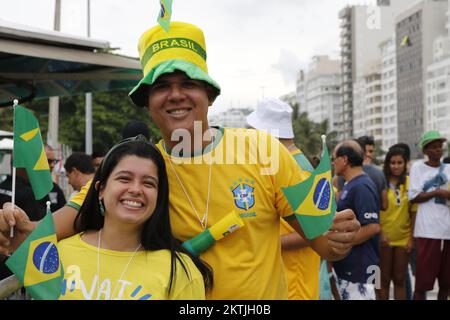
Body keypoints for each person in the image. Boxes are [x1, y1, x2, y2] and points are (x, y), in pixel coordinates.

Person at [0, 21, 360, 300]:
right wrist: (21, 227)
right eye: (161, 86)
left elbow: (323, 242)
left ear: (209, 94)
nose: (175, 96)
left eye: (187, 83)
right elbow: (69, 219)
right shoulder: (142, 169)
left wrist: (339, 234)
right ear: (147, 101)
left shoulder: (263, 151)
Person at [4, 136, 213, 300]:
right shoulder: (56, 254)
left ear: (159, 197)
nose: (135, 189)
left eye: (148, 183)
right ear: (101, 189)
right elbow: (12, 244)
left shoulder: (181, 271)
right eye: (124, 178)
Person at [246, 97, 321, 300]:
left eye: (254, 132)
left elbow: (314, 232)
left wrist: (261, 244)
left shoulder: (298, 171)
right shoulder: (285, 163)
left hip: (295, 283)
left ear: (266, 134)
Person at [331, 140, 380, 300]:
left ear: (344, 160)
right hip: (351, 268)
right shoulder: (351, 184)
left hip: (360, 270)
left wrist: (342, 243)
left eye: (334, 158)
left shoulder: (361, 186)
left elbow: (373, 227)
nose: (332, 163)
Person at [408, 130, 450, 300]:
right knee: (422, 283)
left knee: (447, 282)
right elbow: (413, 197)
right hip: (426, 232)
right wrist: (438, 192)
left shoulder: (448, 169)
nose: (438, 150)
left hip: (447, 231)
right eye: (433, 147)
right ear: (425, 150)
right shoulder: (418, 167)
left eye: (440, 146)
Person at [378, 147, 415, 300]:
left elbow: (414, 212)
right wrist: (380, 233)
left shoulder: (409, 182)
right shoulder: (381, 181)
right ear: (387, 164)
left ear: (405, 164)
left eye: (400, 162)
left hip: (403, 238)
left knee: (400, 280)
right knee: (384, 280)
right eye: (392, 162)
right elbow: (374, 208)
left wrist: (411, 238)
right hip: (384, 238)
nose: (396, 166)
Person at [335, 137, 388, 211]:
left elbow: (371, 220)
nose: (368, 154)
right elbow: (384, 205)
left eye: (371, 151)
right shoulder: (378, 172)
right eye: (366, 151)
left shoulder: (362, 184)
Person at [39, 145, 66, 212]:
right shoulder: (26, 187)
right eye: (48, 161)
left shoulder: (55, 189)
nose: (52, 165)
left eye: (54, 161)